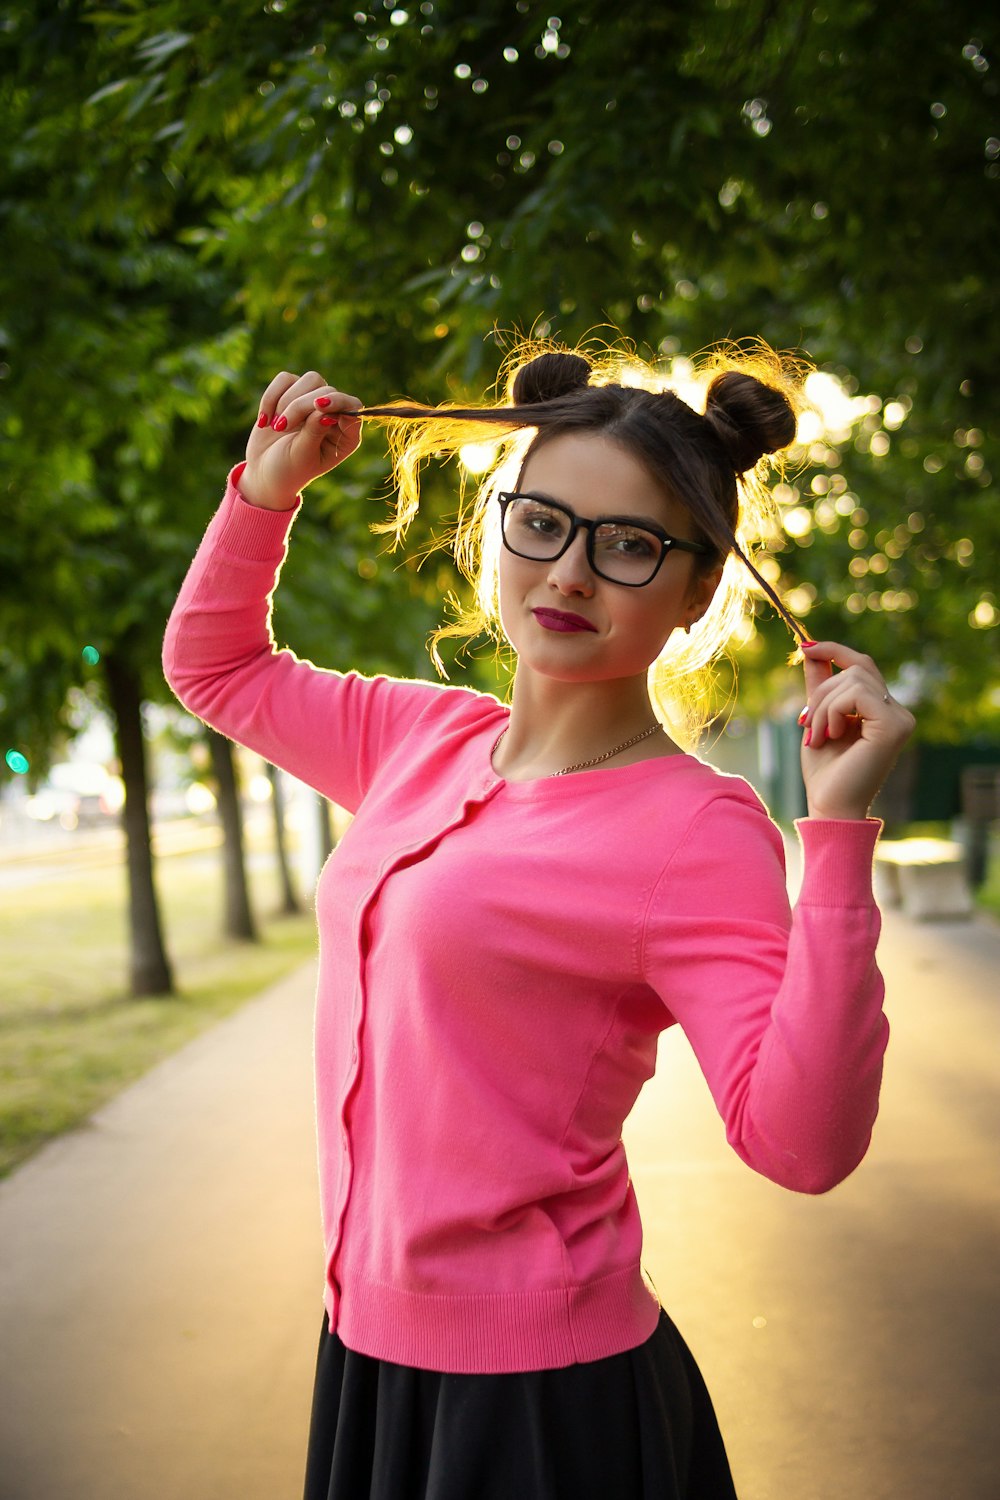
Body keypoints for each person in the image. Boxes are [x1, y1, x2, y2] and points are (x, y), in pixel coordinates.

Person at [162, 339, 915, 1500]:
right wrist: (266, 495)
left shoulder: (696, 830)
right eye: (541, 523)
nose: (567, 573)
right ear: (500, 528)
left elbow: (803, 1144)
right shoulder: (422, 739)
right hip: (366, 1358)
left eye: (626, 546)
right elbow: (215, 667)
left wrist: (835, 838)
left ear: (696, 589)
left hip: (540, 1413)